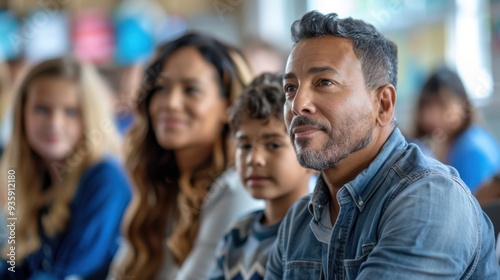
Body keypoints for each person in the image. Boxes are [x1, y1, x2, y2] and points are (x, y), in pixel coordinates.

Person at [265, 11, 499, 279]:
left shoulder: (431, 199)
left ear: (383, 104)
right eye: (290, 88)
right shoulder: (297, 222)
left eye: (324, 82)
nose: (297, 105)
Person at [110, 33, 263, 280]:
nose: (170, 102)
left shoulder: (237, 189)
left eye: (191, 89)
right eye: (161, 88)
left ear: (231, 108)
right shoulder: (162, 190)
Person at [0, 57, 132, 279]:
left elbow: (70, 274)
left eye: (70, 111)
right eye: (42, 109)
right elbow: (14, 264)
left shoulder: (105, 179)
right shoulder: (30, 178)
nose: (54, 123)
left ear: (90, 117)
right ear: (22, 114)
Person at [210, 73, 312, 280]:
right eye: (244, 145)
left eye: (273, 145)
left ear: (312, 157)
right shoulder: (237, 234)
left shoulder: (316, 237)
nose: (253, 159)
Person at [414, 67, 500, 193]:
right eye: (427, 106)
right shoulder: (450, 142)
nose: (432, 116)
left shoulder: (473, 151)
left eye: (441, 105)